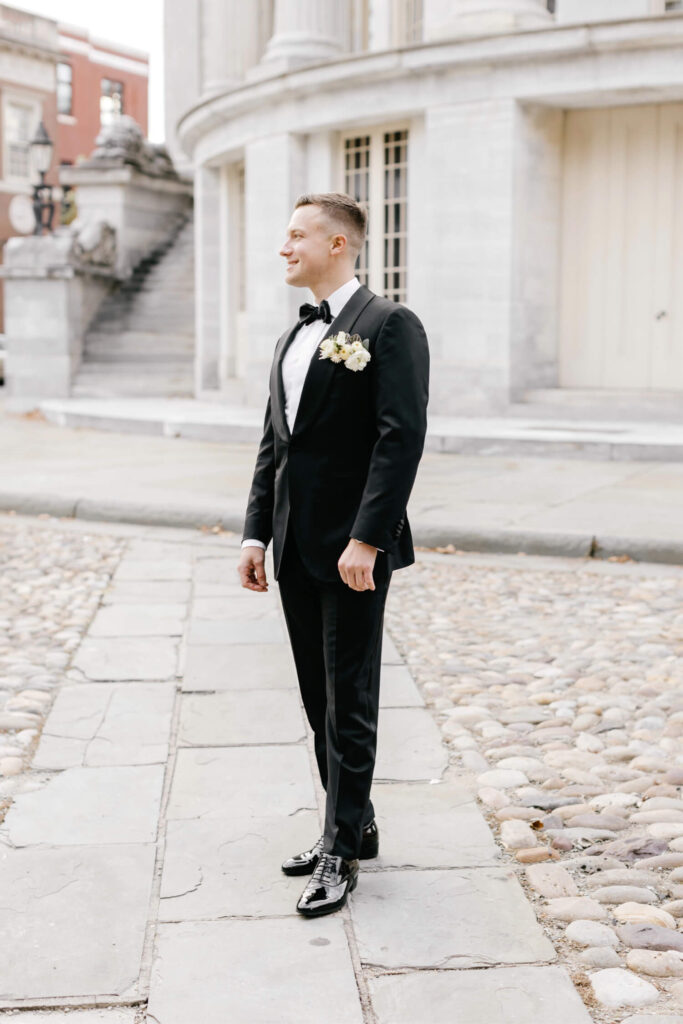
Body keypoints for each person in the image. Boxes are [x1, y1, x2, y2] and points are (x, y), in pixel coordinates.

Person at [237, 191, 429, 918]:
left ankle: (339, 851)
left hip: (353, 550)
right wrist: (257, 533)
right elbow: (273, 446)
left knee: (350, 699)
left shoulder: (388, 325)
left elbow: (398, 438)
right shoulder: (293, 339)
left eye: (295, 236)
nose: (283, 248)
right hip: (292, 547)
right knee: (319, 697)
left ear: (338, 244)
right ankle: (354, 822)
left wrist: (368, 538)